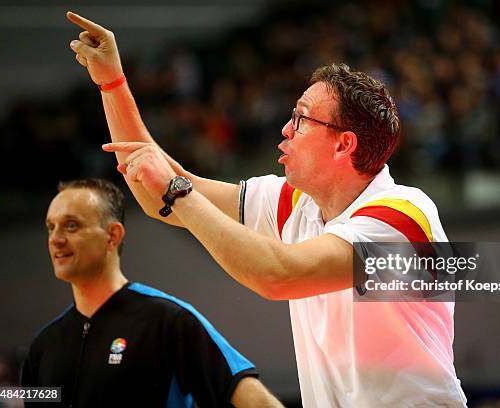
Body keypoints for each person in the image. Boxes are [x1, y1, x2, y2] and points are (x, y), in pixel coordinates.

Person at [67, 11, 467, 407]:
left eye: (301, 119)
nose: (285, 129)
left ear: (344, 145)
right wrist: (112, 84)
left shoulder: (402, 216)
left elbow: (277, 275)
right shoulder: (295, 202)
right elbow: (162, 195)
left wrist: (176, 190)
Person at [21, 178, 282, 408]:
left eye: (71, 226)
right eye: (50, 227)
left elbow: (257, 401)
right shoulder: (44, 347)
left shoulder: (168, 321)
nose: (55, 239)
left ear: (112, 236)